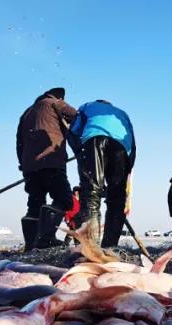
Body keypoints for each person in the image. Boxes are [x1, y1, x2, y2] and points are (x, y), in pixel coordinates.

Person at [16, 87, 77, 250]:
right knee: (64, 199)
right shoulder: (55, 103)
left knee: (35, 203)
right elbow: (76, 117)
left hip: (30, 167)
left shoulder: (27, 113)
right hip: (51, 161)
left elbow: (19, 142)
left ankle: (31, 245)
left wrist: (24, 164)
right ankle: (46, 239)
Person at [69, 99, 136, 248]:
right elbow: (133, 142)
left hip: (94, 140)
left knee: (91, 193)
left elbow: (73, 131)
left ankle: (91, 249)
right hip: (122, 147)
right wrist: (128, 167)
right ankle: (109, 247)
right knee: (117, 198)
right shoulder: (122, 113)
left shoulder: (86, 106)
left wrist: (80, 154)